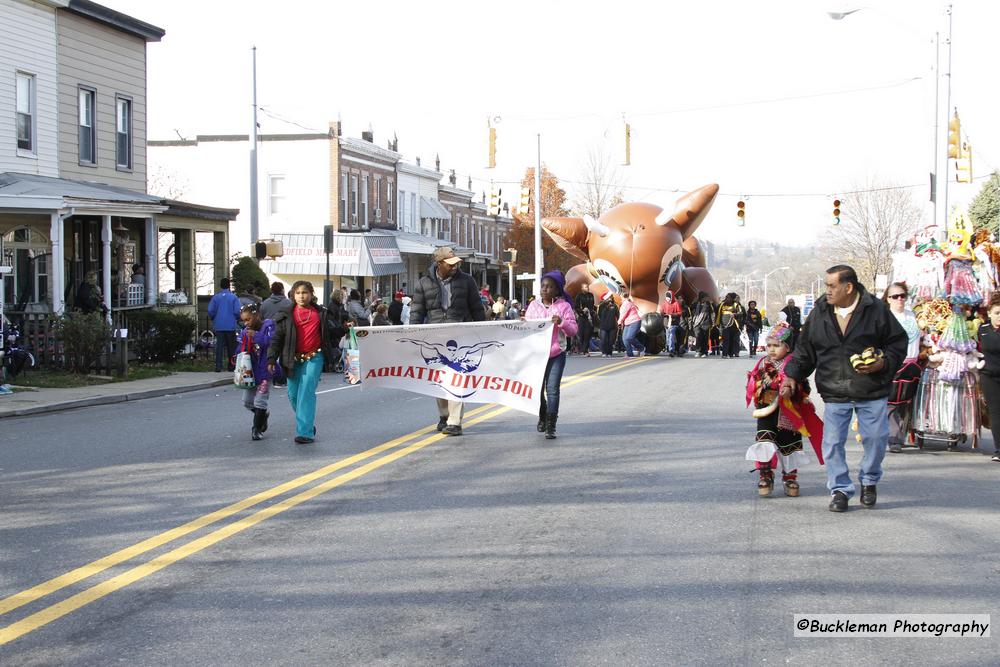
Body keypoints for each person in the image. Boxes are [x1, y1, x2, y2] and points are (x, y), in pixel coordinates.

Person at [781, 265, 907, 512]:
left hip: (871, 389)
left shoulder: (876, 310)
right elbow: (805, 349)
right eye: (826, 285)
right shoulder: (820, 312)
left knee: (875, 439)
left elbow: (897, 342)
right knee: (832, 443)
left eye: (831, 286)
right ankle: (839, 489)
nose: (826, 291)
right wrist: (791, 375)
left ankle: (869, 480)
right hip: (834, 389)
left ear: (848, 287)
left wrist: (883, 363)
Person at [409, 246, 486, 436]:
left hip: (460, 337)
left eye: (456, 263)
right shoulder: (423, 283)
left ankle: (454, 421)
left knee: (457, 378)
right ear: (439, 264)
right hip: (435, 337)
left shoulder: (467, 281)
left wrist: (484, 330)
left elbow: (477, 308)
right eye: (450, 264)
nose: (455, 266)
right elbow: (417, 312)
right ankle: (444, 415)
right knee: (439, 380)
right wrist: (413, 336)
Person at [745, 322, 824, 497]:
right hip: (766, 410)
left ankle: (790, 477)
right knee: (764, 441)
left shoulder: (793, 364)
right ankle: (766, 475)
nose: (772, 349)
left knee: (789, 445)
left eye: (777, 345)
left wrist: (792, 389)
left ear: (787, 347)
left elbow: (804, 386)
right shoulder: (763, 362)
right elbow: (753, 383)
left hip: (789, 412)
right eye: (769, 345)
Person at [267, 281, 336, 444]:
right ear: (292, 295)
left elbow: (332, 331)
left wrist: (347, 328)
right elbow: (277, 339)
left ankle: (305, 432)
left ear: (311, 294)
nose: (301, 296)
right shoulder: (286, 315)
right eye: (297, 293)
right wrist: (271, 358)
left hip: (314, 357)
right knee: (292, 394)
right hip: (292, 359)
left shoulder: (320, 313)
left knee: (306, 391)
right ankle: (307, 423)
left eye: (304, 292)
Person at [525, 270, 579, 439]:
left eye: (549, 287)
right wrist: (522, 325)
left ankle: (551, 425)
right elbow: (527, 329)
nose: (545, 289)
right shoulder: (534, 306)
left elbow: (573, 331)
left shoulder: (564, 307)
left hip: (556, 354)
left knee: (552, 390)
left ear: (557, 290)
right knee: (538, 390)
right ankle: (542, 415)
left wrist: (561, 322)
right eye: (543, 286)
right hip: (537, 356)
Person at [883, 282, 923, 454]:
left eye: (902, 296)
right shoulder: (885, 317)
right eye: (894, 296)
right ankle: (893, 438)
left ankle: (900, 434)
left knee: (905, 403)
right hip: (893, 364)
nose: (899, 299)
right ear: (888, 299)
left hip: (913, 363)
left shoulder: (913, 315)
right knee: (892, 402)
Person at [236, 303, 275, 441]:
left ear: (257, 315)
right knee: (247, 401)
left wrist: (256, 336)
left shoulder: (268, 326)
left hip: (264, 370)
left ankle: (256, 429)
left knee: (260, 400)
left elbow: (271, 342)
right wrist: (237, 356)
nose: (246, 323)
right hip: (250, 371)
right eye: (244, 320)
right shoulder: (244, 331)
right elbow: (240, 347)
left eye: (248, 319)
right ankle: (263, 414)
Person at [977, 297, 1000, 463]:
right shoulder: (982, 329)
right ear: (990, 314)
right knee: (995, 412)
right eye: (997, 313)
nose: (999, 316)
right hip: (989, 375)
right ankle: (999, 448)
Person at [207, 278, 242, 372]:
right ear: (229, 286)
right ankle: (231, 366)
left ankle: (218, 366)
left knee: (219, 346)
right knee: (231, 347)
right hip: (230, 325)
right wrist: (237, 318)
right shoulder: (233, 297)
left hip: (218, 325)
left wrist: (213, 317)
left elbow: (210, 310)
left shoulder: (215, 297)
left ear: (220, 285)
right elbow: (237, 311)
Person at [326, 288, 349, 372]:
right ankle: (335, 365)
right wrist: (341, 329)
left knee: (338, 347)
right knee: (336, 348)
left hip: (338, 330)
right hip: (335, 332)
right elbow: (332, 321)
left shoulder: (337, 305)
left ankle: (337, 364)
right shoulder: (333, 306)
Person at [617, 291, 645, 357]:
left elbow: (623, 314)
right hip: (628, 322)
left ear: (622, 297)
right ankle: (630, 354)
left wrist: (619, 322)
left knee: (630, 337)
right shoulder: (629, 302)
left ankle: (641, 348)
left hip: (634, 321)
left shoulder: (626, 303)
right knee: (624, 339)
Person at [716, 293, 742, 358]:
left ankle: (730, 353)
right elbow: (716, 312)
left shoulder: (736, 305)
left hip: (733, 325)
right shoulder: (722, 305)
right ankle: (724, 354)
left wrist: (734, 314)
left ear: (732, 299)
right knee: (725, 339)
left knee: (731, 339)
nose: (727, 299)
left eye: (729, 297)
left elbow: (741, 313)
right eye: (726, 297)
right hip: (724, 325)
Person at [573, 283, 596, 356]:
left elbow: (592, 305)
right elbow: (576, 307)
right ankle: (583, 348)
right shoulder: (579, 296)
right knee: (581, 334)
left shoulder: (591, 295)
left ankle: (585, 350)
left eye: (588, 287)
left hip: (589, 316)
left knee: (588, 333)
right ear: (582, 288)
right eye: (586, 287)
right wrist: (582, 311)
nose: (587, 288)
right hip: (582, 317)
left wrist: (590, 311)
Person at [659, 290, 682, 357]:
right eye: (666, 297)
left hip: (674, 323)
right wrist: (662, 313)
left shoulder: (676, 303)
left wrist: (672, 314)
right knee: (668, 336)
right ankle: (671, 349)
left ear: (672, 297)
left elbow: (680, 312)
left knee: (671, 334)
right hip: (666, 323)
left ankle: (671, 350)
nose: (667, 299)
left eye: (669, 297)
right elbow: (661, 312)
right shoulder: (664, 304)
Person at [692, 291, 715, 358]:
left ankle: (704, 352)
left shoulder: (709, 304)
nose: (706, 299)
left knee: (705, 338)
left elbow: (712, 313)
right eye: (705, 297)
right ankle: (698, 351)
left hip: (706, 323)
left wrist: (713, 323)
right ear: (702, 298)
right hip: (697, 323)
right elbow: (691, 311)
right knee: (698, 337)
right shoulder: (696, 304)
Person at [596, 292, 619, 357]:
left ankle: (609, 353)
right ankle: (604, 352)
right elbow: (599, 315)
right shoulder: (601, 305)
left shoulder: (614, 305)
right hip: (603, 326)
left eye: (611, 297)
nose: (610, 298)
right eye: (609, 297)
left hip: (612, 326)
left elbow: (617, 315)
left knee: (610, 341)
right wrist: (605, 303)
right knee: (603, 340)